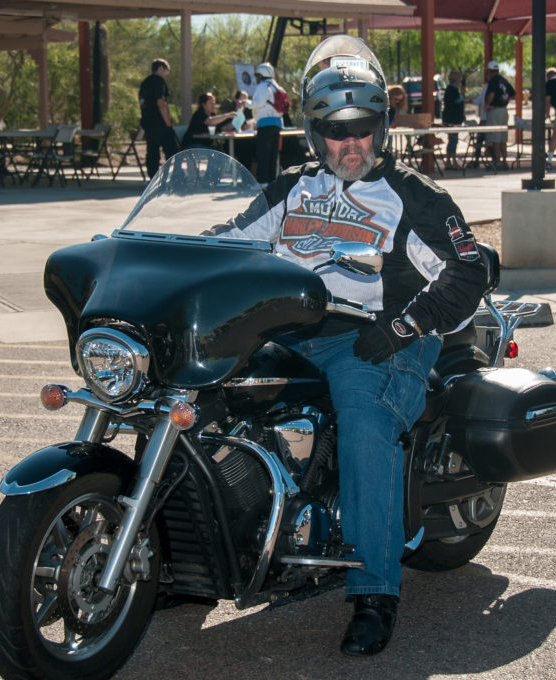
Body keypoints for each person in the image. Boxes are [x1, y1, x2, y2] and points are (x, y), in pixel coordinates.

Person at [205, 35, 488, 657]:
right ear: (313, 132)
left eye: (362, 126)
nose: (350, 143)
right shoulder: (289, 190)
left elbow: (471, 271)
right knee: (200, 396)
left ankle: (373, 591)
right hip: (291, 333)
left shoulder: (415, 198)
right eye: (335, 129)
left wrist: (403, 328)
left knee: (362, 420)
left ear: (381, 126)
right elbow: (227, 240)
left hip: (379, 340)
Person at [138, 58, 179, 178]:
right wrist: (168, 124)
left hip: (148, 123)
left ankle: (153, 178)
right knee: (172, 151)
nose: (167, 75)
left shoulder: (145, 83)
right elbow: (161, 103)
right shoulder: (158, 82)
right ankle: (174, 177)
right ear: (161, 68)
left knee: (152, 152)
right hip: (160, 124)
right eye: (167, 71)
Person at [249, 62, 284, 185]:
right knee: (273, 155)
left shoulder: (263, 86)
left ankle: (263, 182)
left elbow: (257, 103)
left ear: (261, 74)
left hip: (264, 125)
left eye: (258, 75)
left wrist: (245, 103)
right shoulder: (278, 87)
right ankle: (271, 182)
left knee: (263, 154)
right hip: (277, 124)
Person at [483, 60, 515, 171]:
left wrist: (487, 105)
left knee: (495, 138)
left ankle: (497, 161)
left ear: (490, 71)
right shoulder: (504, 80)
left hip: (495, 110)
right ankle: (504, 161)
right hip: (504, 110)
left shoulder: (493, 81)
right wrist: (503, 100)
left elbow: (491, 94)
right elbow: (512, 94)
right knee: (503, 138)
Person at [442, 70, 466, 170]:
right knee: (453, 140)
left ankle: (449, 161)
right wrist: (462, 94)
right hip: (452, 119)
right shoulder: (452, 90)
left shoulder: (450, 89)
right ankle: (452, 161)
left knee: (452, 139)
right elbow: (457, 101)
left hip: (452, 118)